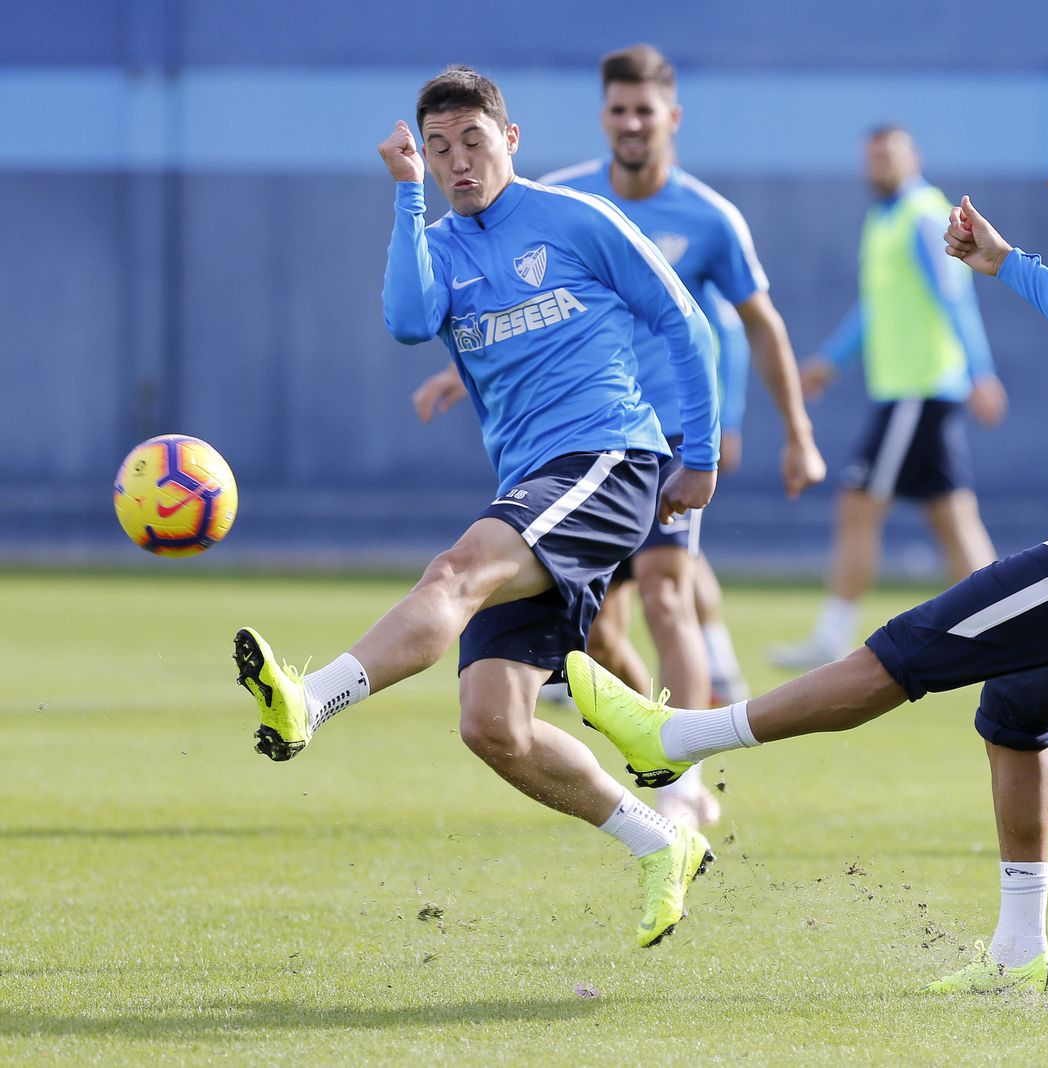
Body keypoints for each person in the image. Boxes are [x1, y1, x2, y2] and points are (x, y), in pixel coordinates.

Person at [569, 122, 1048, 993]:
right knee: (1014, 708)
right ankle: (1019, 958)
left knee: (908, 649)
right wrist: (1007, 264)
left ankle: (680, 736)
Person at [232, 66, 722, 950]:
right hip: (531, 486)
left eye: (473, 140)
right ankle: (662, 843)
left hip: (609, 458)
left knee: (455, 572)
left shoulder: (577, 218)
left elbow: (685, 324)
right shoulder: (439, 244)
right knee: (493, 726)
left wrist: (703, 456)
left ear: (511, 138)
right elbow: (407, 320)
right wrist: (405, 194)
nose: (458, 161)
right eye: (439, 148)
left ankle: (309, 702)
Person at [412, 45, 825, 831]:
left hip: (659, 436)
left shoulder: (710, 217)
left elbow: (755, 325)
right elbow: (510, 301)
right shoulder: (562, 198)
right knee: (598, 637)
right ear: (603, 117)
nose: (632, 124)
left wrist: (792, 433)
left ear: (672, 119)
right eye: (619, 111)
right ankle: (661, 740)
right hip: (571, 437)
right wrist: (455, 374)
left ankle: (682, 788)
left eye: (645, 111)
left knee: (668, 594)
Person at [769, 126, 1007, 671]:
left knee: (857, 504)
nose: (880, 165)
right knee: (953, 516)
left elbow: (954, 294)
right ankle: (1010, 631)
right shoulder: (883, 220)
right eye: (873, 158)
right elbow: (875, 307)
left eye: (890, 156)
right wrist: (831, 360)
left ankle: (831, 636)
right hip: (911, 392)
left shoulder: (924, 214)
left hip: (917, 391)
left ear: (913, 158)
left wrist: (981, 372)